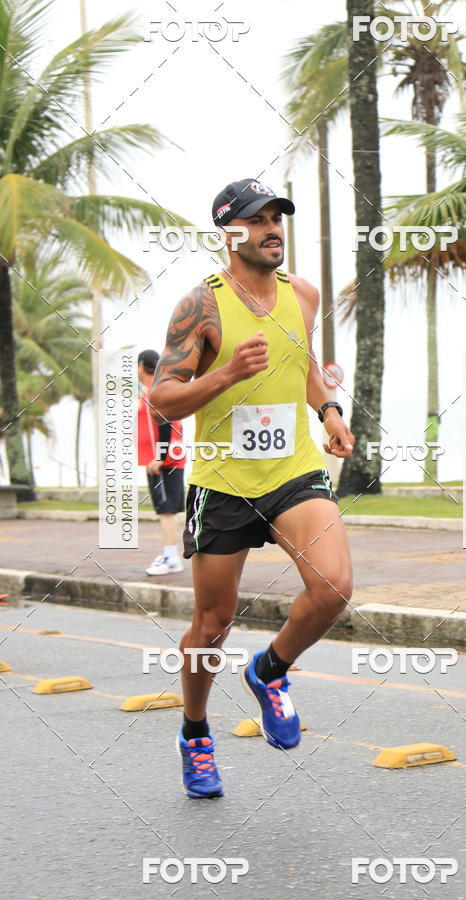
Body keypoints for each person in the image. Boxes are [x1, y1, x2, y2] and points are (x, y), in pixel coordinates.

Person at [150, 178, 355, 798]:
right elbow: (162, 399)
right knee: (212, 625)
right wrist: (227, 373)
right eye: (256, 220)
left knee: (333, 588)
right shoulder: (201, 307)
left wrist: (329, 411)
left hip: (292, 470)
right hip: (222, 481)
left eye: (277, 218)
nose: (272, 229)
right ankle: (195, 733)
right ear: (229, 232)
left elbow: (305, 370)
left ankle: (270, 671)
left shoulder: (304, 296)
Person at [137, 349, 186, 575]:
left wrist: (159, 456)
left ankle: (170, 557)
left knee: (166, 509)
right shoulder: (154, 390)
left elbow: (165, 422)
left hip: (163, 460)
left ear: (141, 367)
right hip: (164, 458)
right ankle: (169, 554)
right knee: (167, 509)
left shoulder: (154, 392)